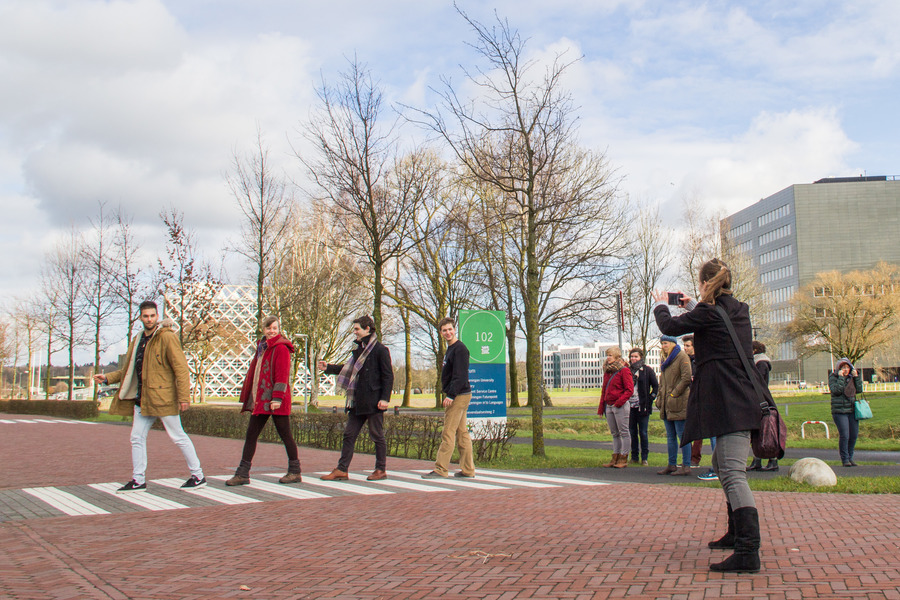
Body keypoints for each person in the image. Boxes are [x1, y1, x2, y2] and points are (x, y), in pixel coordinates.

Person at [654, 258, 763, 573]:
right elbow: (715, 320)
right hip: (740, 397)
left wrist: (662, 304)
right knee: (721, 465)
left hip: (728, 401)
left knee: (731, 471)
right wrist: (695, 302)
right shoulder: (739, 309)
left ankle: (748, 551)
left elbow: (670, 327)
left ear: (705, 283)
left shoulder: (707, 313)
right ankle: (735, 534)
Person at [93, 301, 205, 493]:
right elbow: (129, 369)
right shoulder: (138, 339)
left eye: (152, 315)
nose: (149, 319)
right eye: (146, 316)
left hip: (163, 398)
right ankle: (138, 480)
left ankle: (198, 475)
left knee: (178, 436)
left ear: (157, 316)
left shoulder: (167, 337)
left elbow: (181, 369)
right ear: (140, 317)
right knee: (136, 437)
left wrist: (184, 397)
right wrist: (107, 378)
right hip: (142, 399)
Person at [226, 316, 302, 486]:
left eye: (275, 328)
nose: (272, 331)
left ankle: (295, 471)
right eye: (268, 328)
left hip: (275, 400)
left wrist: (277, 398)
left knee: (285, 435)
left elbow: (282, 375)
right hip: (262, 400)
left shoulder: (280, 348)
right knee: (251, 434)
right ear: (263, 329)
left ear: (278, 328)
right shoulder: (263, 347)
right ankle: (243, 473)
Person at [317, 315, 394, 481]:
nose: (355, 332)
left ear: (367, 329)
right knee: (349, 435)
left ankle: (381, 469)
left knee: (377, 435)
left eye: (357, 329)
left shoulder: (381, 350)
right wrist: (329, 367)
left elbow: (388, 376)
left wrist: (385, 399)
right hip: (357, 401)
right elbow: (349, 369)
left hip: (374, 401)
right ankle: (342, 469)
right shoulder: (358, 349)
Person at [422, 318, 475, 479]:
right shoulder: (451, 348)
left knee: (448, 433)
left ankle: (441, 469)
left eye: (450, 329)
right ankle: (468, 470)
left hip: (459, 395)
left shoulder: (460, 349)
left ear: (454, 329)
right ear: (440, 332)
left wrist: (451, 395)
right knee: (462, 432)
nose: (447, 332)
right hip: (461, 394)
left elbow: (460, 375)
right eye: (444, 330)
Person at [655, 335, 692, 476]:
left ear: (672, 343)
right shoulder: (665, 360)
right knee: (670, 436)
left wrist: (674, 394)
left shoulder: (682, 357)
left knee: (682, 435)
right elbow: (662, 381)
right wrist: (660, 396)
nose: (663, 346)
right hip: (666, 403)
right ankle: (671, 464)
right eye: (662, 343)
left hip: (678, 401)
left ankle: (686, 465)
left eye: (665, 343)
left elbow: (686, 378)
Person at [598, 346, 635, 468]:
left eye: (610, 355)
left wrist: (619, 402)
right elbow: (604, 390)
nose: (608, 358)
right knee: (614, 433)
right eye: (607, 355)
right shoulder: (608, 371)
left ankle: (624, 457)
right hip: (609, 405)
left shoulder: (624, 370)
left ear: (616, 357)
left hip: (620, 405)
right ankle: (615, 456)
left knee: (624, 431)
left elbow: (629, 390)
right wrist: (601, 407)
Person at [830, 357, 864, 467]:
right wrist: (841, 378)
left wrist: (856, 377)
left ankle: (850, 457)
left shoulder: (851, 378)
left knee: (853, 435)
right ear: (838, 369)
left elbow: (859, 390)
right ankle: (845, 459)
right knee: (845, 435)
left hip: (852, 410)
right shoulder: (833, 377)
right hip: (839, 411)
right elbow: (836, 390)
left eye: (847, 367)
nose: (846, 370)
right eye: (843, 367)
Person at [748, 341, 776, 472]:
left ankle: (772, 459)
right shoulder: (758, 363)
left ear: (754, 350)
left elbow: (758, 382)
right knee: (758, 431)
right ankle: (758, 459)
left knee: (766, 430)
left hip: (761, 401)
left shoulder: (760, 364)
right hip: (760, 400)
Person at [627, 348, 658, 466]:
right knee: (632, 431)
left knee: (643, 432)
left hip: (643, 406)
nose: (633, 359)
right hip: (630, 406)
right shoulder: (628, 371)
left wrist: (650, 398)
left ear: (641, 357)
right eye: (631, 356)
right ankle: (634, 456)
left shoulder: (647, 371)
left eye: (636, 356)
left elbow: (655, 386)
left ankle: (644, 457)